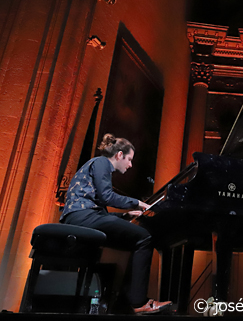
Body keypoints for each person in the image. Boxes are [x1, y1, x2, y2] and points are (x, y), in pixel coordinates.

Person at [60, 133, 171, 315]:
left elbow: (98, 207)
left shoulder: (98, 165)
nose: (130, 165)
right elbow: (107, 197)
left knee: (135, 242)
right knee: (144, 237)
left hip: (81, 216)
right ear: (119, 155)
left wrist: (124, 215)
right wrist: (137, 203)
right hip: (81, 217)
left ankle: (125, 302)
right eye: (129, 159)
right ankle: (139, 302)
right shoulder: (102, 162)